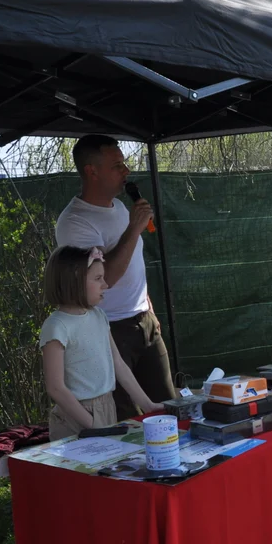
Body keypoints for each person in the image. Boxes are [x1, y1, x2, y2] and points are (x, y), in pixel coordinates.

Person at [55, 134, 175, 419]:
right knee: (129, 417)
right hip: (109, 329)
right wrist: (133, 229)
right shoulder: (75, 222)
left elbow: (134, 264)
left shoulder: (120, 207)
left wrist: (148, 307)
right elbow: (105, 277)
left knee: (169, 407)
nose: (126, 171)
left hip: (144, 321)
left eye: (124, 164)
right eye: (117, 165)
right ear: (91, 171)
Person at [40, 246, 164, 440]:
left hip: (107, 408)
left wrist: (148, 405)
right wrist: (92, 425)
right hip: (75, 417)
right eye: (98, 279)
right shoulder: (56, 326)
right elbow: (55, 388)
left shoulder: (99, 316)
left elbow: (119, 365)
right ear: (75, 280)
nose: (105, 285)